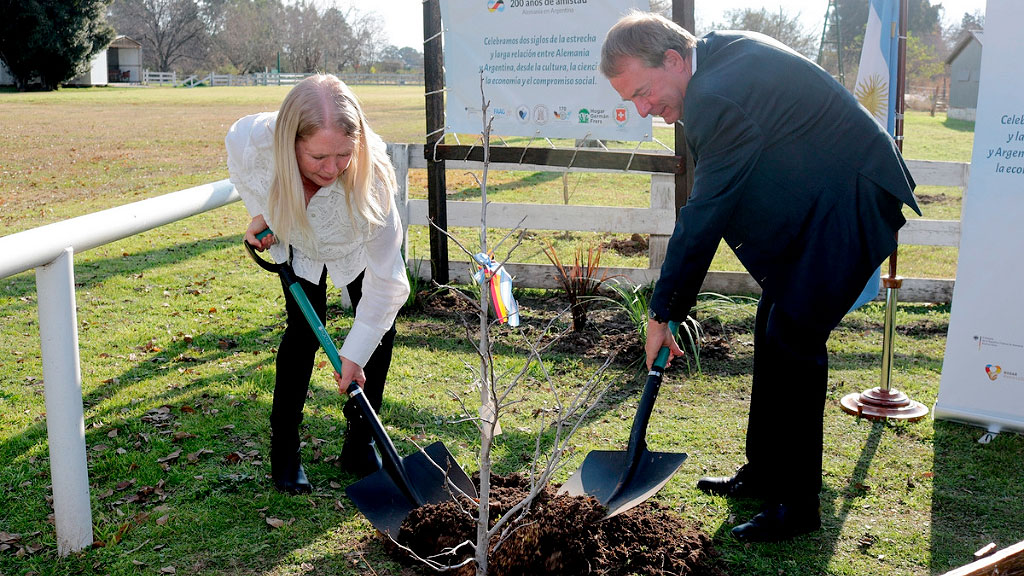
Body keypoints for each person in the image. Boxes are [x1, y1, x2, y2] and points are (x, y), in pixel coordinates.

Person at [601, 12, 920, 542]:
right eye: (631, 100)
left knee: (792, 339)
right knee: (771, 323)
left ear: (675, 60)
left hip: (851, 204)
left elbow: (705, 212)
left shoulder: (716, 95)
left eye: (643, 91)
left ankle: (798, 505)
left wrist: (663, 312)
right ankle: (767, 470)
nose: (644, 109)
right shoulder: (718, 57)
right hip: (825, 200)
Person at [226, 74, 410, 493]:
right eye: (318, 157)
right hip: (298, 233)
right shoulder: (260, 141)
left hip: (352, 233)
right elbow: (234, 142)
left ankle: (360, 441)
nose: (331, 169)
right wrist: (265, 213)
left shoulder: (372, 179)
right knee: (304, 332)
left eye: (343, 154)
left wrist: (356, 355)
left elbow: (389, 281)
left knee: (379, 331)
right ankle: (285, 450)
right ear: (291, 142)